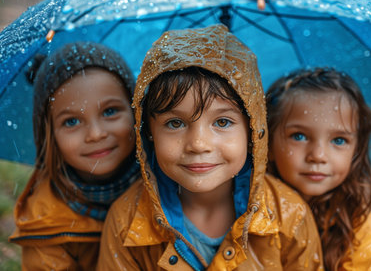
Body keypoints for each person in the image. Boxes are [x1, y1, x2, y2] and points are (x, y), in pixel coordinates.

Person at [97, 24, 323, 270]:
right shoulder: (125, 222)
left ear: (252, 129)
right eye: (175, 123)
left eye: (222, 122)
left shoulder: (290, 215)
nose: (198, 144)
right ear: (148, 132)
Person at [9, 41, 140, 270]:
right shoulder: (46, 229)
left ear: (135, 111)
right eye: (72, 121)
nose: (96, 134)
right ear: (49, 136)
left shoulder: (170, 184)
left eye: (109, 111)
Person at [266, 68, 371, 271]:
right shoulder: (247, 208)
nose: (318, 155)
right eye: (299, 136)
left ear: (356, 149)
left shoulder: (358, 226)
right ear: (267, 143)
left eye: (339, 140)